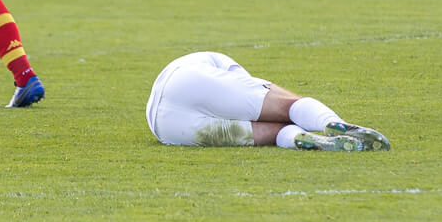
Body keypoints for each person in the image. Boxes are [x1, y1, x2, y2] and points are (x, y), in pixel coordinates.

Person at [147, 52, 390, 152]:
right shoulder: (222, 62)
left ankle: (300, 138)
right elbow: (254, 94)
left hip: (165, 129)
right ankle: (331, 122)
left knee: (274, 133)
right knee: (287, 107)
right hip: (184, 80)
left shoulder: (204, 61)